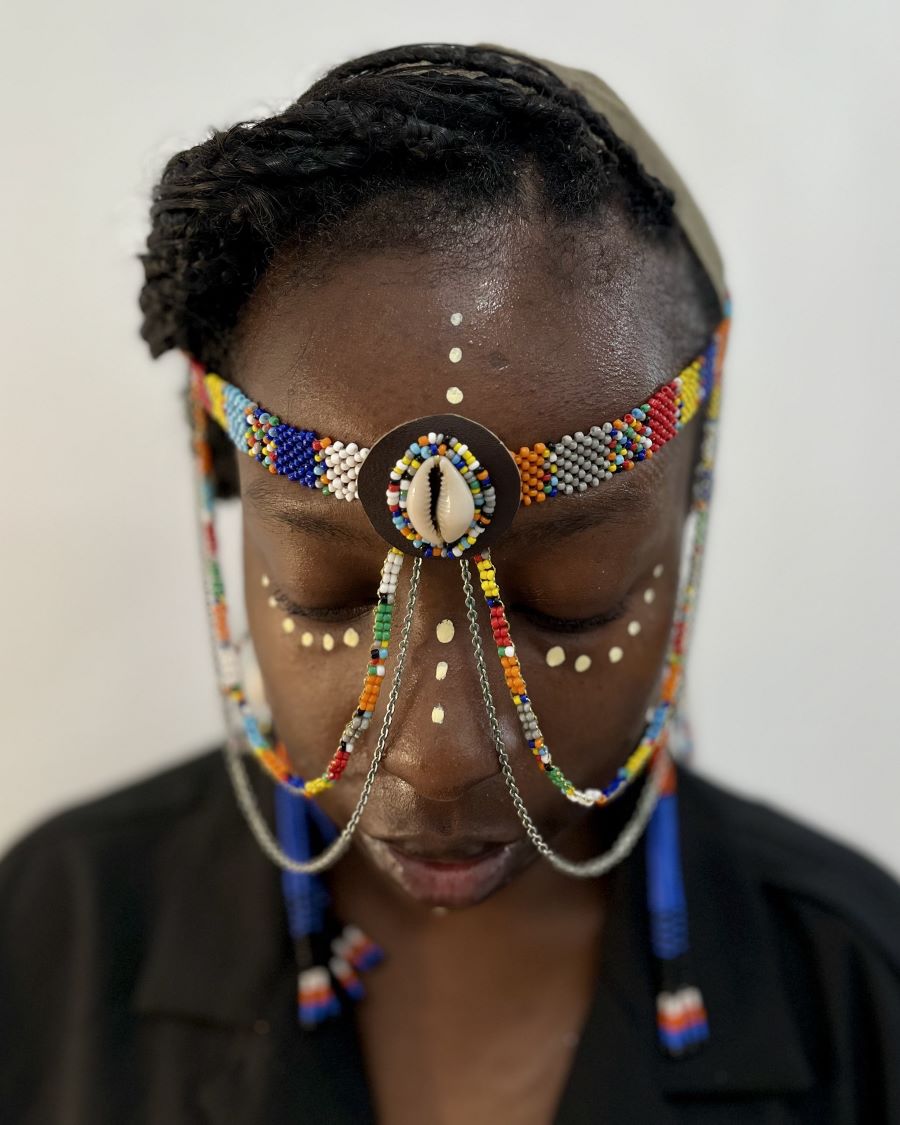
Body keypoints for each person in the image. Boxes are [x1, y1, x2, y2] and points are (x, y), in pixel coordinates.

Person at [1, 40, 899, 1125]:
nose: (437, 756)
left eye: (574, 594)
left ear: (689, 505)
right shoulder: (52, 936)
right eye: (327, 589)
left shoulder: (863, 991)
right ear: (221, 484)